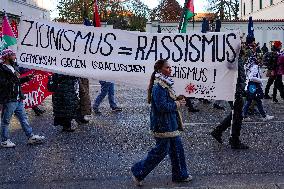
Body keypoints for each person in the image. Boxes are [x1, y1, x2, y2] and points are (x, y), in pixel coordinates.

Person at [131, 60, 192, 186]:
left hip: (170, 124)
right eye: (167, 67)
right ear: (159, 70)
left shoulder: (165, 83)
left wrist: (177, 99)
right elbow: (161, 106)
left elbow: (167, 100)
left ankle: (180, 174)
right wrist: (177, 104)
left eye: (170, 67)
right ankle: (138, 172)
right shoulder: (159, 86)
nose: (170, 69)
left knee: (177, 149)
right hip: (163, 125)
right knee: (160, 152)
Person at [0, 49, 45, 148]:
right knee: (6, 121)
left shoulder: (14, 67)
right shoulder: (2, 69)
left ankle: (31, 136)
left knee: (24, 118)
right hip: (9, 99)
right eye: (13, 55)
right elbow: (3, 84)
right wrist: (15, 78)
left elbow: (17, 81)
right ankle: (4, 140)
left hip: (18, 98)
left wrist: (27, 78)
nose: (15, 57)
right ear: (7, 57)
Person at [211, 44, 249, 149]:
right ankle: (234, 141)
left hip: (237, 90)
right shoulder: (232, 58)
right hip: (234, 91)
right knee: (237, 116)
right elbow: (229, 68)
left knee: (236, 114)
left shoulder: (237, 58)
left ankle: (218, 131)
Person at [243, 51, 274, 121]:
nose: (261, 61)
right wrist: (260, 80)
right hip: (253, 86)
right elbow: (251, 77)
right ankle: (264, 116)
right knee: (254, 101)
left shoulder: (248, 65)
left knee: (251, 101)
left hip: (250, 86)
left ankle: (244, 115)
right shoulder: (255, 66)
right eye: (260, 59)